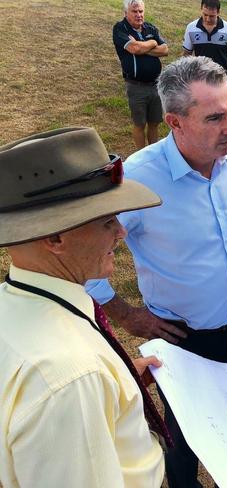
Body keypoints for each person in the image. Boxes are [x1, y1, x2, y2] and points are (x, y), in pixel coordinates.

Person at [86, 56, 227, 488]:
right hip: (182, 338)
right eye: (216, 117)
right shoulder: (138, 180)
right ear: (174, 121)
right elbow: (87, 258)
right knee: (184, 436)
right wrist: (127, 316)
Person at [0, 127, 166, 487]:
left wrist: (114, 388)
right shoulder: (72, 379)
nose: (121, 232)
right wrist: (89, 387)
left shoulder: (12, 304)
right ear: (55, 238)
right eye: (107, 220)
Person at [113, 0, 169, 150]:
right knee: (139, 124)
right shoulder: (120, 29)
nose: (139, 15)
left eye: (141, 11)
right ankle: (142, 155)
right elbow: (135, 49)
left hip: (156, 85)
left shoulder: (150, 28)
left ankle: (153, 153)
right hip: (136, 86)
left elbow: (164, 50)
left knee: (154, 123)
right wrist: (152, 43)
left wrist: (143, 45)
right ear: (126, 13)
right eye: (134, 11)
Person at [182, 0, 227, 91]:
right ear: (201, 9)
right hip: (200, 79)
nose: (207, 19)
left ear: (218, 12)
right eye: (205, 15)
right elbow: (187, 53)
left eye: (212, 16)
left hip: (224, 80)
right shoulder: (191, 28)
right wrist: (184, 75)